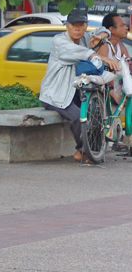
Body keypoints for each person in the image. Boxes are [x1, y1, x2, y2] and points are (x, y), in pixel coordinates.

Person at [39, 9, 119, 163]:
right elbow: (82, 53)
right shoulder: (59, 41)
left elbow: (103, 30)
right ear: (67, 26)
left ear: (85, 26)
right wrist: (100, 57)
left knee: (94, 111)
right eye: (73, 25)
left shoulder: (84, 38)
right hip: (56, 94)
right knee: (78, 117)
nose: (77, 29)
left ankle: (92, 150)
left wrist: (101, 36)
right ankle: (81, 150)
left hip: (74, 90)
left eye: (81, 25)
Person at [92, 11, 130, 105]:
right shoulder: (104, 46)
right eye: (122, 26)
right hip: (104, 92)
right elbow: (100, 70)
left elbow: (128, 64)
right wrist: (112, 91)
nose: (126, 28)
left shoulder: (120, 46)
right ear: (111, 29)